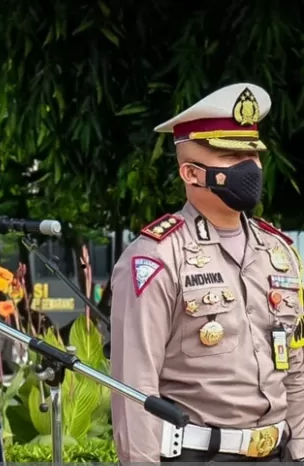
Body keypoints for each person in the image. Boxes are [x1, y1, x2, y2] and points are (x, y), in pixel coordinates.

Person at [110, 83, 304, 463]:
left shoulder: (279, 253)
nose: (250, 168)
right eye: (231, 156)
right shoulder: (158, 255)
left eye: (253, 154)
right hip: (200, 455)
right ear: (191, 172)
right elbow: (134, 384)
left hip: (280, 453)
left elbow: (296, 367)